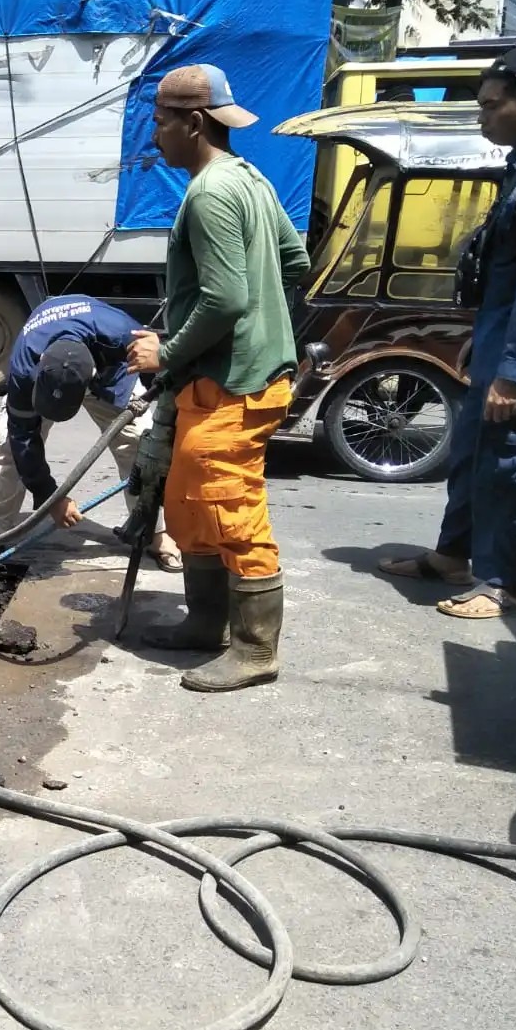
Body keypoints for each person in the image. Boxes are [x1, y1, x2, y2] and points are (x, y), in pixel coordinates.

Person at [379, 48, 516, 618]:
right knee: (474, 453)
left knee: (513, 464)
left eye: (489, 105)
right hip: (503, 339)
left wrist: (515, 370)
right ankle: (455, 555)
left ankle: (508, 584)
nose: (480, 116)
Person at [125, 64, 309, 692]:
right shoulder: (251, 179)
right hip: (227, 377)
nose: (155, 137)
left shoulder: (208, 194)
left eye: (159, 122)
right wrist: (264, 322)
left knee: (231, 507)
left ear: (193, 122)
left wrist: (167, 352)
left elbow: (226, 299)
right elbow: (294, 258)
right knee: (187, 502)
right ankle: (207, 623)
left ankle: (257, 649)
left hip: (236, 383)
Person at [0, 293, 182, 570]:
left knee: (141, 443)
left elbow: (160, 364)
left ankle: (153, 532)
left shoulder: (121, 333)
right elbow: (23, 438)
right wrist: (50, 498)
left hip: (110, 370)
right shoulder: (25, 366)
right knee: (8, 444)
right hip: (54, 369)